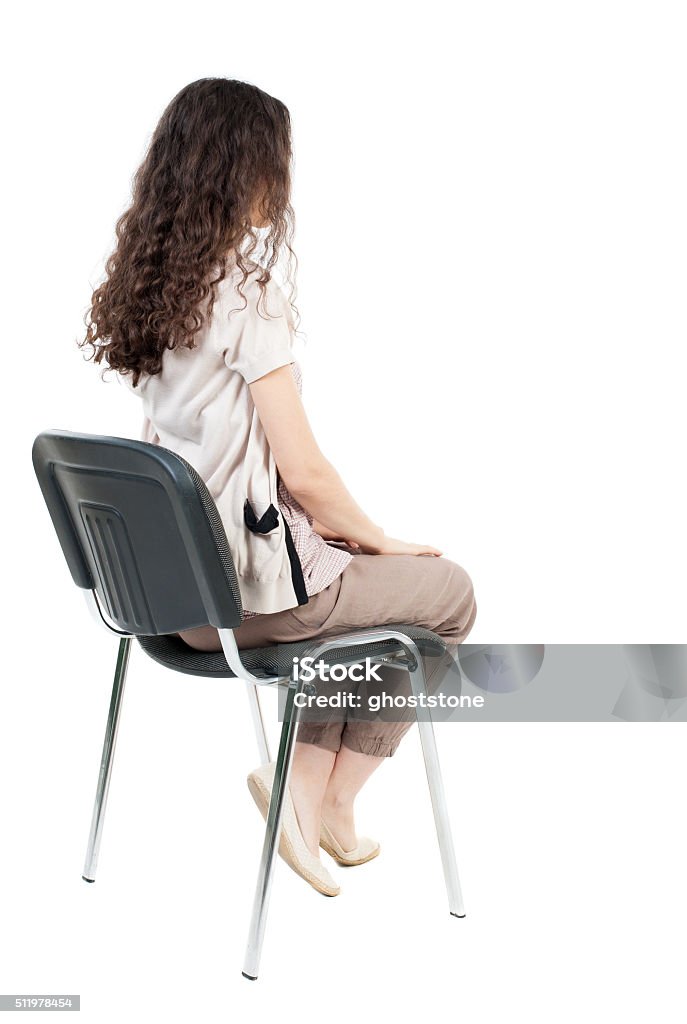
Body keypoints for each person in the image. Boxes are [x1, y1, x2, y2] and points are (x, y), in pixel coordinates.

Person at [79, 77, 477, 898]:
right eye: (274, 162)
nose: (282, 180)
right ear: (244, 169)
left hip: (167, 600)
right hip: (245, 598)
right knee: (445, 595)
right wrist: (379, 537)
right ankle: (312, 791)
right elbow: (305, 474)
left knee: (361, 603)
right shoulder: (246, 292)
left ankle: (320, 806)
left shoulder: (152, 292)